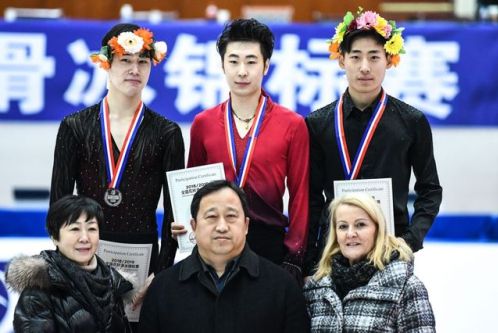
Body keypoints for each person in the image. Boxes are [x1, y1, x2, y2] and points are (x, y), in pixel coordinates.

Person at [50, 23, 185, 297]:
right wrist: (66, 267)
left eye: (143, 62)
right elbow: (59, 206)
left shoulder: (167, 133)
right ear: (105, 63)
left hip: (143, 259)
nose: (135, 70)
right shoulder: (75, 126)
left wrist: (161, 273)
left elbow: (175, 213)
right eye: (125, 60)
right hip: (85, 256)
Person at [304, 9, 442, 274]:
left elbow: (430, 190)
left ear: (389, 60)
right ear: (341, 59)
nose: (365, 67)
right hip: (334, 252)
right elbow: (311, 198)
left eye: (374, 57)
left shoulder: (412, 121)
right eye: (355, 57)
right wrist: (311, 256)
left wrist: (410, 241)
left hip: (391, 251)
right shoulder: (317, 123)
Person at [173, 18, 310, 282]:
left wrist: (295, 257)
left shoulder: (292, 125)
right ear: (223, 65)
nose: (242, 71)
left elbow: (300, 196)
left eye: (251, 61)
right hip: (215, 239)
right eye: (234, 61)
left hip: (268, 243)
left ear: (266, 66)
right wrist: (185, 225)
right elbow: (193, 191)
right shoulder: (204, 123)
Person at [139, 180, 310, 333]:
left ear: (246, 225)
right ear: (194, 225)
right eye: (211, 217)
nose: (222, 226)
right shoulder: (162, 289)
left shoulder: (283, 287)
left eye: (231, 216)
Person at [303, 193, 435, 332]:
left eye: (360, 225)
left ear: (378, 230)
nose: (350, 233)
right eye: (343, 226)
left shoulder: (406, 287)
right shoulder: (316, 288)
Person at [5, 195, 136, 332]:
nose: (85, 238)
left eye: (91, 229)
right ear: (55, 237)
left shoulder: (113, 282)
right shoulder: (38, 290)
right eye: (74, 229)